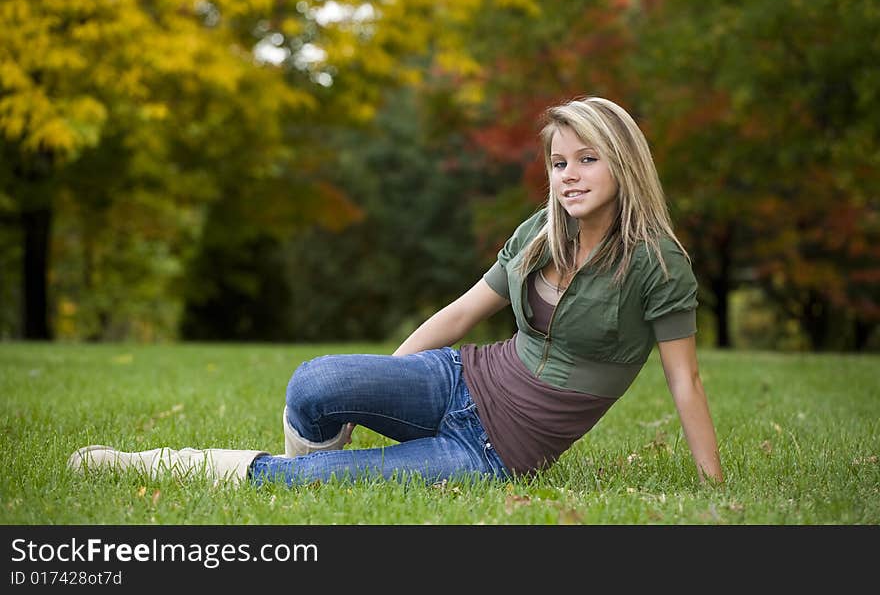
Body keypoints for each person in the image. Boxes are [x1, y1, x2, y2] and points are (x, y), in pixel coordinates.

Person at [68, 96, 723, 487]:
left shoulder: (658, 265)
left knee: (298, 482)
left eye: (588, 158)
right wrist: (384, 377)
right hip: (458, 379)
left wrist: (711, 485)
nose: (569, 175)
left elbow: (684, 382)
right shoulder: (541, 232)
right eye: (558, 162)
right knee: (316, 383)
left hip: (492, 453)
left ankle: (143, 463)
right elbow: (466, 311)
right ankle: (325, 442)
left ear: (624, 162)